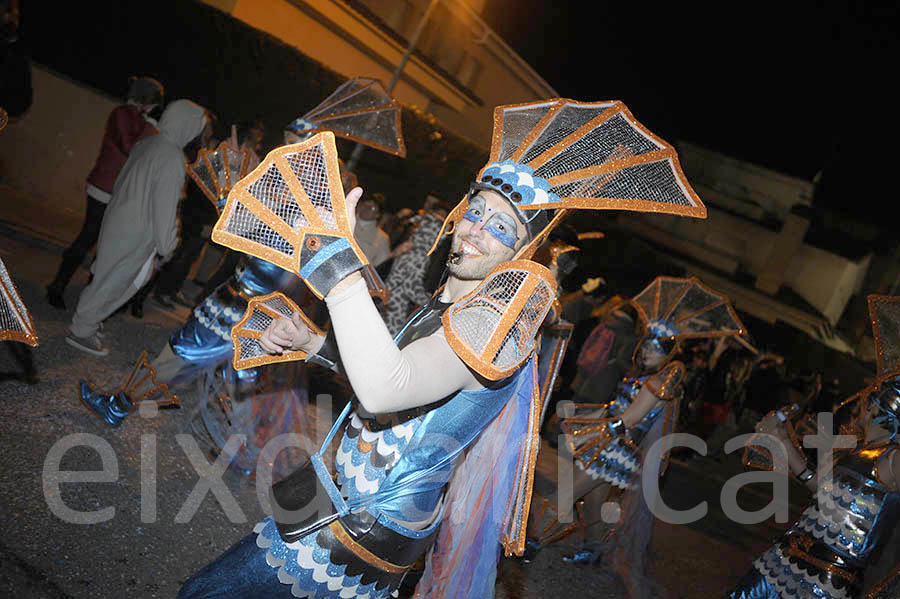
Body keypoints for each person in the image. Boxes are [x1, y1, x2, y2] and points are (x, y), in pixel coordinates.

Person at [178, 98, 710, 599]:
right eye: (476, 211)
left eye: (501, 227)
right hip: (342, 497)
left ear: (520, 251)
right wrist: (314, 342)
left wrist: (337, 265)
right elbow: (400, 376)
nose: (476, 230)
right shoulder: (450, 304)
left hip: (363, 525)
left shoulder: (492, 325)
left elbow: (388, 391)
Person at [729, 295, 900, 599]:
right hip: (785, 557)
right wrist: (782, 438)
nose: (857, 407)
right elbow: (819, 487)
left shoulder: (894, 457)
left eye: (865, 400)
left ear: (878, 408)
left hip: (823, 584)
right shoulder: (856, 449)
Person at [65, 99, 209, 356]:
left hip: (120, 221)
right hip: (137, 231)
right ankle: (82, 329)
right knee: (116, 282)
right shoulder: (173, 158)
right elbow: (164, 207)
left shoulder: (149, 143)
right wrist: (168, 245)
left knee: (110, 277)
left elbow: (123, 181)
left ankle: (88, 321)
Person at [46, 76, 164, 310]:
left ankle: (89, 298)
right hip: (104, 187)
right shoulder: (122, 113)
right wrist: (151, 129)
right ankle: (57, 286)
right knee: (87, 237)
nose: (156, 106)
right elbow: (130, 148)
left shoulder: (141, 119)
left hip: (121, 192)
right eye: (155, 100)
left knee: (108, 248)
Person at [382, 193, 449, 335]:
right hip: (393, 310)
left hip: (391, 307)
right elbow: (410, 286)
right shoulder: (417, 254)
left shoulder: (413, 250)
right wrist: (430, 303)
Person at [352, 192, 391, 267]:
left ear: (378, 214)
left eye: (372, 208)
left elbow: (380, 265)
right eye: (365, 205)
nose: (366, 209)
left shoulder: (382, 238)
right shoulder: (345, 222)